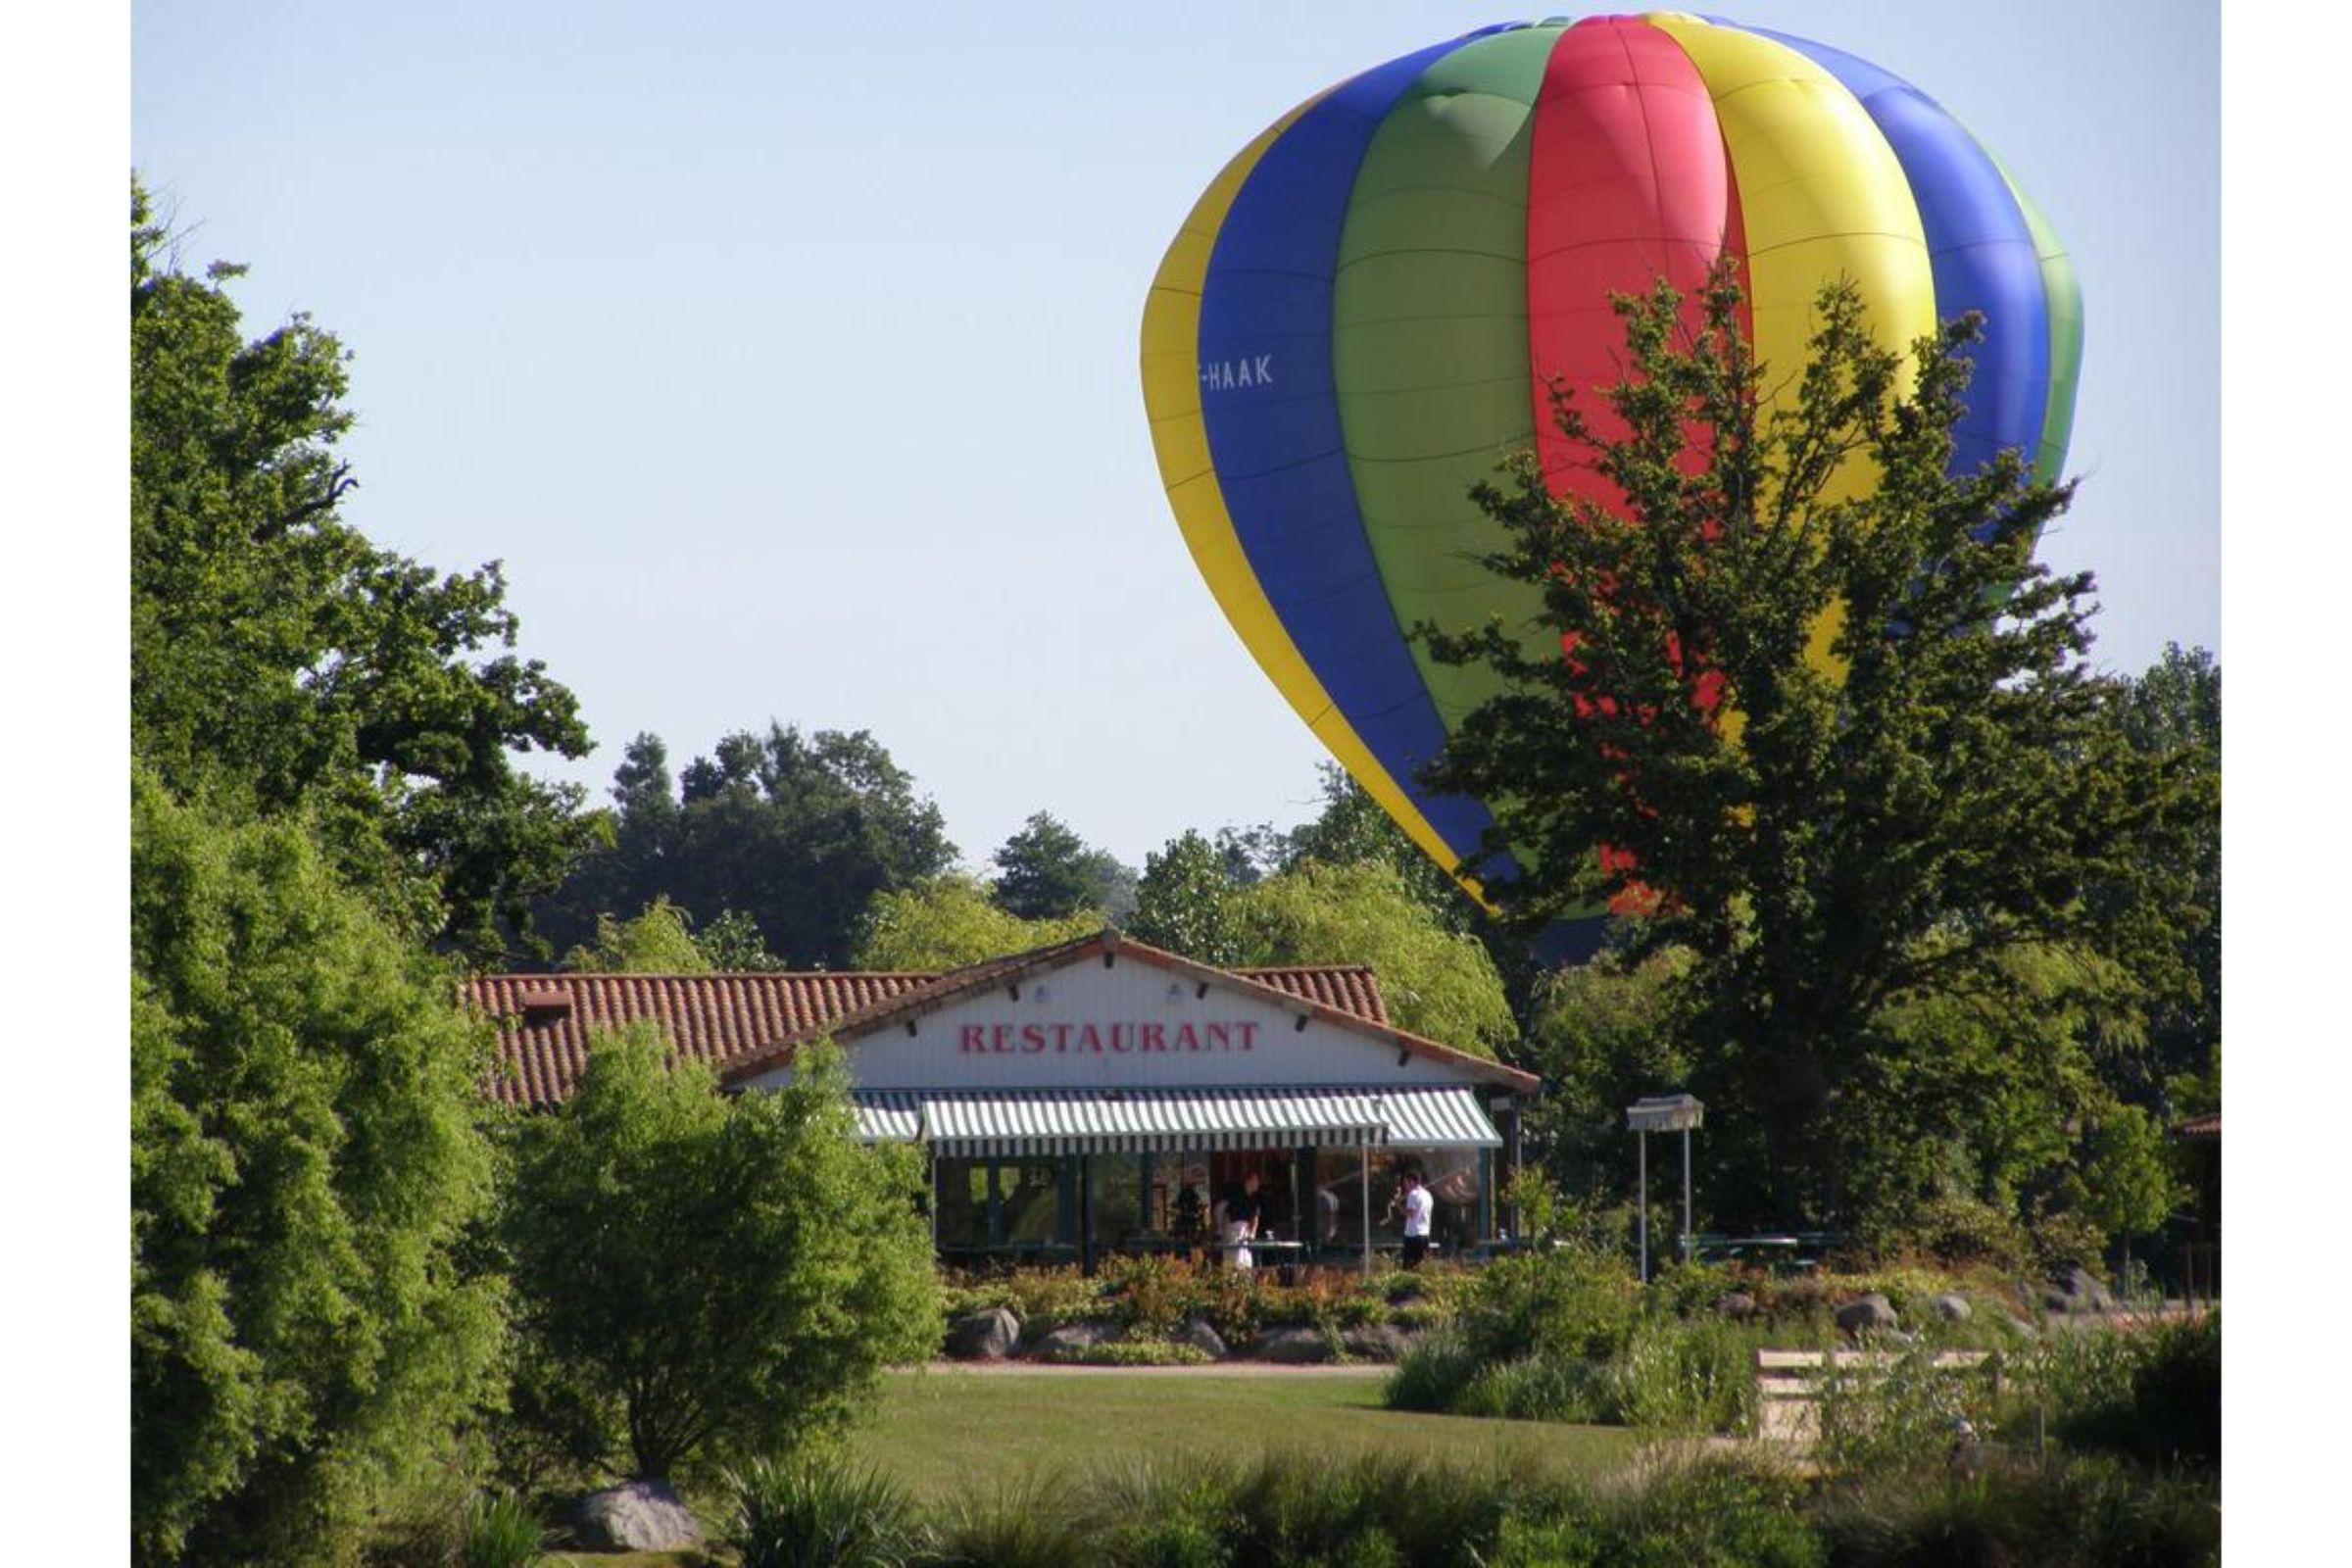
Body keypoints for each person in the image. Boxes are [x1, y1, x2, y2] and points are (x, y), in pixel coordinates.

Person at [1216, 1170, 1264, 1270]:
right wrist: (1224, 1232)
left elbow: (1255, 1218)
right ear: (1249, 1181)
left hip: (1245, 1232)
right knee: (1233, 1260)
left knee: (1245, 1261)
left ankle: (1244, 1283)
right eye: (1256, 1180)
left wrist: (1252, 1235)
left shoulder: (1255, 1199)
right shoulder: (1236, 1195)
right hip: (1233, 1230)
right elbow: (1225, 1213)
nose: (1258, 1183)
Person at [1399, 1169, 1433, 1270]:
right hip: (1425, 1234)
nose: (1405, 1186)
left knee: (1409, 1267)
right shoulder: (1428, 1195)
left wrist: (1398, 1205)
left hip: (1413, 1235)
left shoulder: (1413, 1194)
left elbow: (1410, 1214)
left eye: (1406, 1183)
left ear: (1412, 1182)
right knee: (1421, 1266)